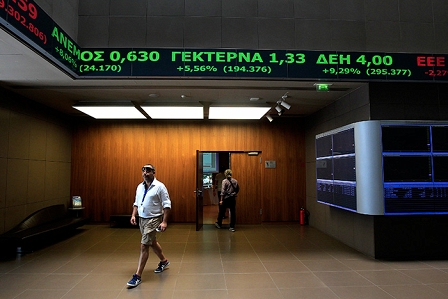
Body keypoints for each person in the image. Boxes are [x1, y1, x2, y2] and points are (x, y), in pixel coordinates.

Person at [127, 164, 172, 288]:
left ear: (153, 172)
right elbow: (136, 203)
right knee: (151, 242)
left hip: (154, 219)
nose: (145, 173)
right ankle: (164, 261)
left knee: (144, 245)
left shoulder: (160, 187)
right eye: (143, 170)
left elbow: (167, 205)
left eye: (148, 170)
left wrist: (164, 221)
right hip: (142, 219)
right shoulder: (139, 187)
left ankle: (137, 276)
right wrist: (133, 215)